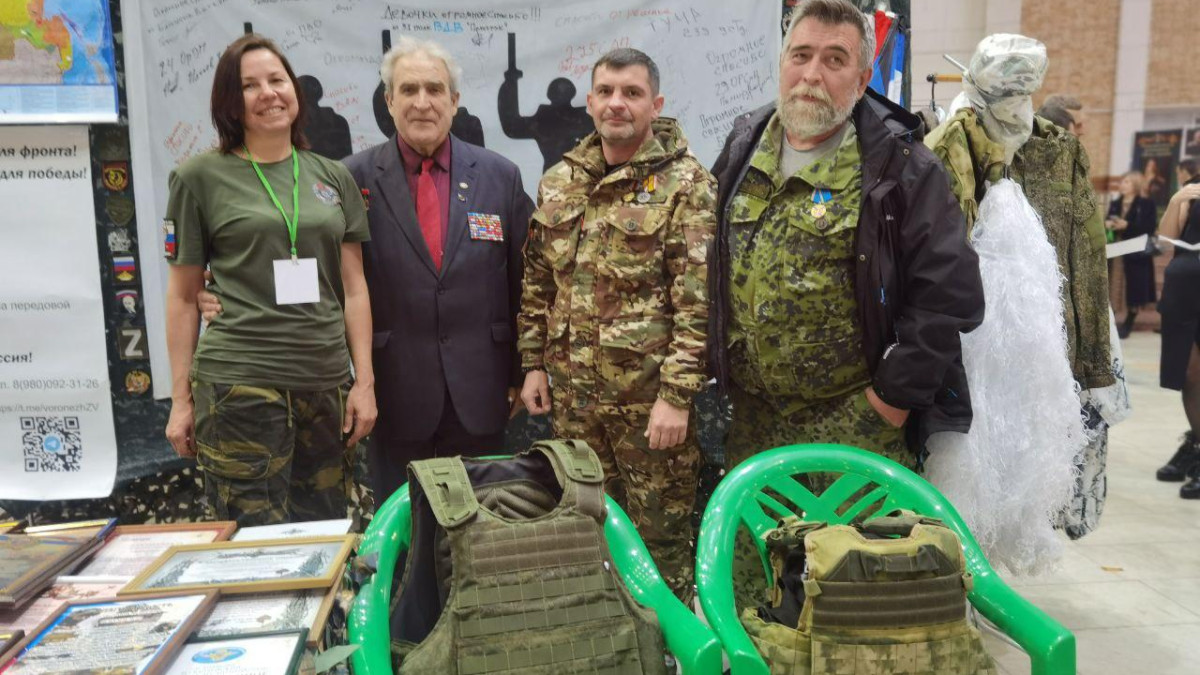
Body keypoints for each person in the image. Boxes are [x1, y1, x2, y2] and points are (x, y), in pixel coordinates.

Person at [707, 0, 984, 603]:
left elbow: (948, 298)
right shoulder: (744, 143)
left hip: (853, 427)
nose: (812, 74)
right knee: (754, 587)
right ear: (781, 62)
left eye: (834, 60)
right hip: (752, 423)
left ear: (861, 81)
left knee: (853, 596)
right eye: (801, 55)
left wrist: (889, 402)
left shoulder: (901, 167)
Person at [200, 36, 533, 508]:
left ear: (455, 101)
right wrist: (218, 292)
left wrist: (526, 368)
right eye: (409, 90)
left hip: (482, 391)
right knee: (402, 529)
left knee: (484, 527)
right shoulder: (346, 179)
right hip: (393, 393)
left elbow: (527, 280)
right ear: (389, 101)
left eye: (435, 90)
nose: (422, 103)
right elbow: (310, 264)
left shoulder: (501, 176)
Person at [517, 48, 716, 603]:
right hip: (574, 404)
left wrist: (676, 397)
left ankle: (669, 643)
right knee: (586, 536)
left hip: (649, 410)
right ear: (589, 102)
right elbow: (538, 281)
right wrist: (532, 364)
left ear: (656, 104)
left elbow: (697, 302)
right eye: (605, 92)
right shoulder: (560, 181)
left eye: (631, 93)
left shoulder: (687, 183)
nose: (616, 104)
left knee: (659, 546)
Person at [163, 34, 376, 526]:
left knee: (325, 535)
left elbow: (355, 288)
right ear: (229, 102)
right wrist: (180, 401)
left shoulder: (333, 177)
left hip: (325, 385)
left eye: (277, 80)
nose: (268, 93)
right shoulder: (198, 178)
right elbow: (182, 298)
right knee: (253, 544)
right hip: (240, 385)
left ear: (294, 90)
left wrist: (363, 382)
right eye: (249, 85)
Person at [1154, 168, 1200, 498]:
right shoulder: (1193, 188)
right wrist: (1176, 200)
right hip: (1184, 291)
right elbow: (1165, 240)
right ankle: (1195, 444)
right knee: (1189, 374)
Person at [1107, 170, 1158, 338]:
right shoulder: (1115, 203)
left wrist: (1127, 225)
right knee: (1115, 284)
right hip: (1117, 251)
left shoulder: (1146, 204)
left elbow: (1149, 228)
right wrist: (1109, 224)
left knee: (1134, 287)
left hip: (1136, 252)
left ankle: (1129, 320)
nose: (1122, 185)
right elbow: (1109, 220)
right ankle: (1111, 320)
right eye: (1122, 181)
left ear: (1136, 184)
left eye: (1127, 182)